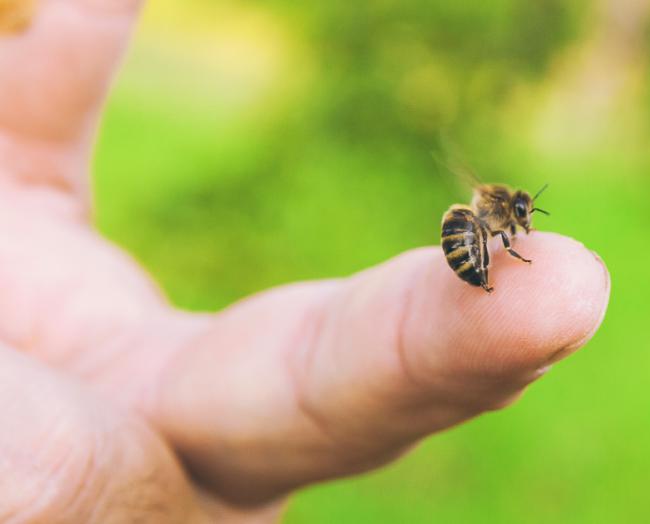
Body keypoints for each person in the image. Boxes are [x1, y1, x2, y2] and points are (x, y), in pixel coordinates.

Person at [0, 0, 610, 521]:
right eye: (522, 217)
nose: (525, 223)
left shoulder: (498, 216)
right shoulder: (494, 215)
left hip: (469, 248)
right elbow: (486, 223)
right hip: (468, 243)